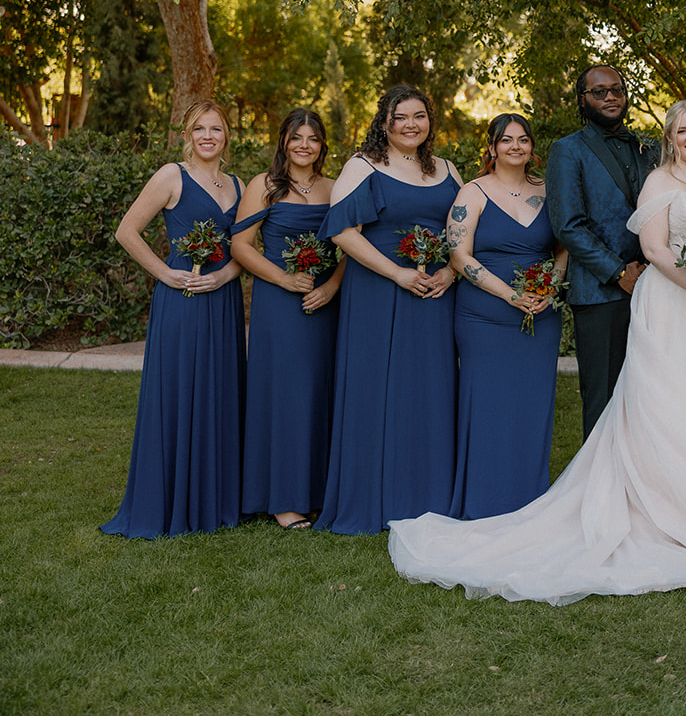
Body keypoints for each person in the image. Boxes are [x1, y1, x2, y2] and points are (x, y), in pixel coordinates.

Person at [387, 101, 686, 605]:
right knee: (680, 402)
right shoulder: (658, 181)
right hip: (679, 303)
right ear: (670, 137)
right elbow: (654, 250)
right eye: (681, 130)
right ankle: (683, 504)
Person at [317, 85, 463, 534]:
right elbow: (341, 230)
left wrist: (452, 273)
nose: (412, 124)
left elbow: (463, 231)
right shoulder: (363, 166)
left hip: (435, 294)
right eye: (402, 117)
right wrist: (397, 273)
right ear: (385, 122)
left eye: (420, 116)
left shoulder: (448, 169)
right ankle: (374, 496)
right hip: (378, 294)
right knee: (376, 389)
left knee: (431, 390)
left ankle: (431, 495)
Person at [103, 100, 246, 538]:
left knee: (219, 391)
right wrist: (165, 272)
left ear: (227, 136)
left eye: (216, 129)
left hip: (222, 301)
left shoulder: (239, 184)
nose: (207, 136)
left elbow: (243, 250)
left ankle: (214, 497)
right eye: (199, 128)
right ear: (187, 135)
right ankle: (169, 498)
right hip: (181, 300)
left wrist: (224, 275)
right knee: (180, 390)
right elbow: (127, 230)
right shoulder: (171, 175)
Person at [444, 113, 567, 519]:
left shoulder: (550, 191)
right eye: (506, 140)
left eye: (523, 140)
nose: (515, 146)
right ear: (492, 147)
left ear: (532, 147)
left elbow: (564, 248)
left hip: (540, 316)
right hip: (484, 318)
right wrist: (510, 294)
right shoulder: (472, 192)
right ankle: (483, 503)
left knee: (532, 409)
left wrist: (548, 285)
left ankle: (529, 503)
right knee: (488, 408)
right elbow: (458, 255)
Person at [231, 108, 346, 529]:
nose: (304, 145)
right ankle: (282, 499)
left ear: (322, 146)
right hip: (279, 303)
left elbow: (349, 246)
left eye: (313, 138)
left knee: (320, 392)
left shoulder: (335, 188)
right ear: (283, 141)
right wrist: (282, 278)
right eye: (296, 137)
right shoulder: (264, 186)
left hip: (324, 301)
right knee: (284, 394)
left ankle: (315, 491)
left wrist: (332, 286)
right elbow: (241, 246)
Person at [546, 65, 659, 437]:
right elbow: (568, 224)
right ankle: (602, 489)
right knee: (604, 398)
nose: (610, 96)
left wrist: (650, 266)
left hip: (656, 287)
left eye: (616, 90)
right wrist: (618, 272)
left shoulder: (651, 148)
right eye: (599, 91)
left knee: (654, 394)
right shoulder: (567, 150)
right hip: (599, 292)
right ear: (583, 100)